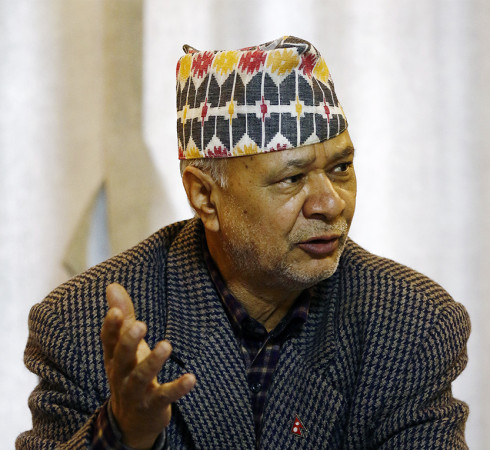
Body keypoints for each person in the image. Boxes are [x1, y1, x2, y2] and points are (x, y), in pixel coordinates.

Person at [17, 36, 470, 449]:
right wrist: (122, 434)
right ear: (205, 196)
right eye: (292, 178)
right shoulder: (83, 326)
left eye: (340, 169)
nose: (331, 203)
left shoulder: (411, 324)